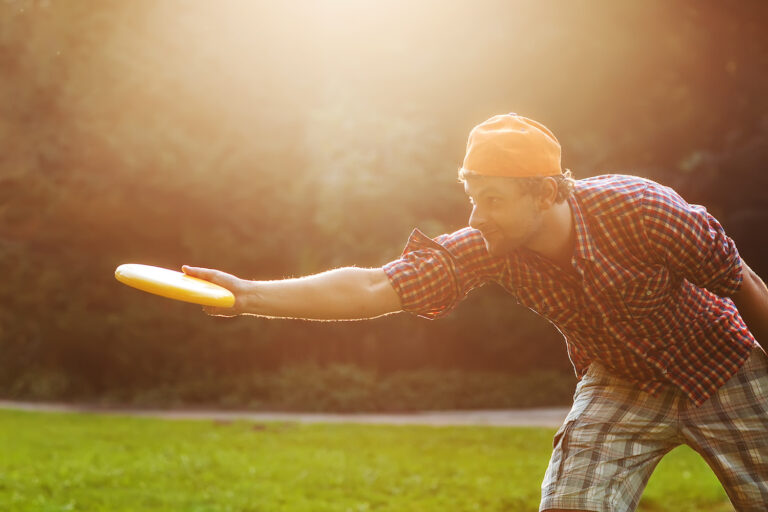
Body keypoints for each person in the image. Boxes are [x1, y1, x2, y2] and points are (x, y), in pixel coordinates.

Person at [182, 113, 768, 512]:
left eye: (492, 198)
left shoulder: (642, 210)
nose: (476, 215)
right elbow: (370, 286)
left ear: (545, 193)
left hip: (722, 366)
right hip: (620, 384)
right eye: (471, 194)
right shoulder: (490, 245)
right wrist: (249, 295)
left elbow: (739, 281)